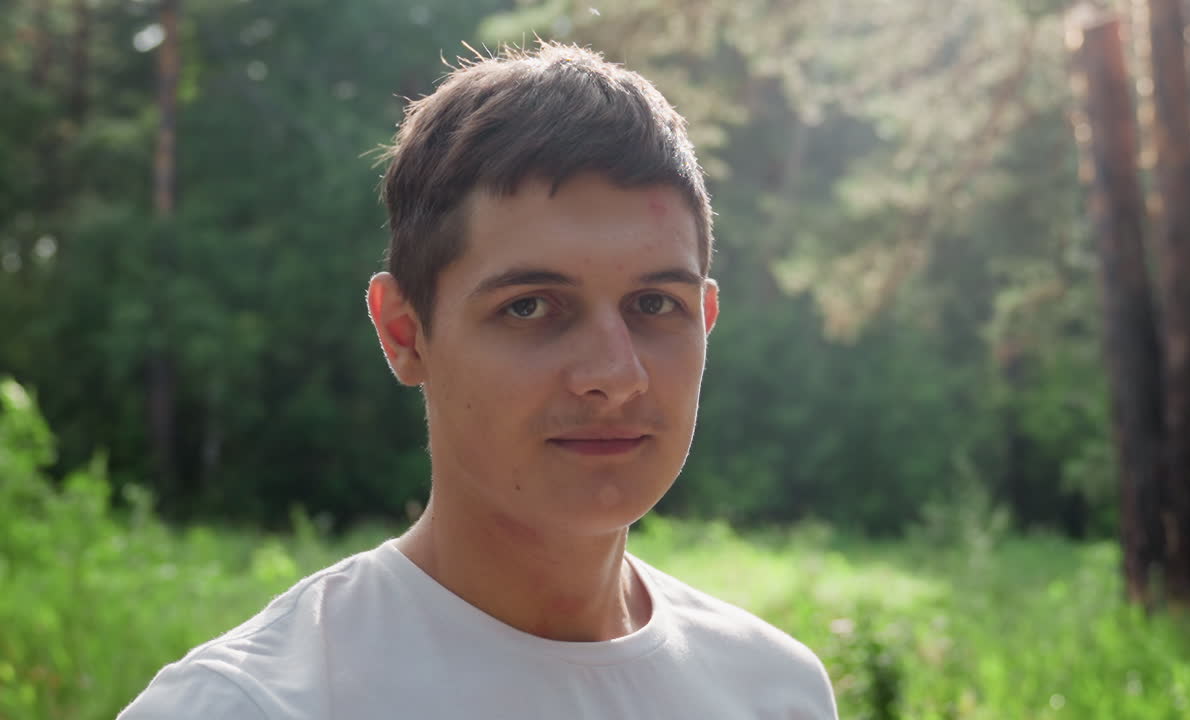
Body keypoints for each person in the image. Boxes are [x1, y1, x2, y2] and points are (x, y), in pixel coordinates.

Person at [118, 42, 838, 719]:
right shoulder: (257, 703)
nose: (615, 376)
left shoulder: (775, 691)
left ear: (706, 319)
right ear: (403, 333)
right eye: (529, 307)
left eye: (656, 305)